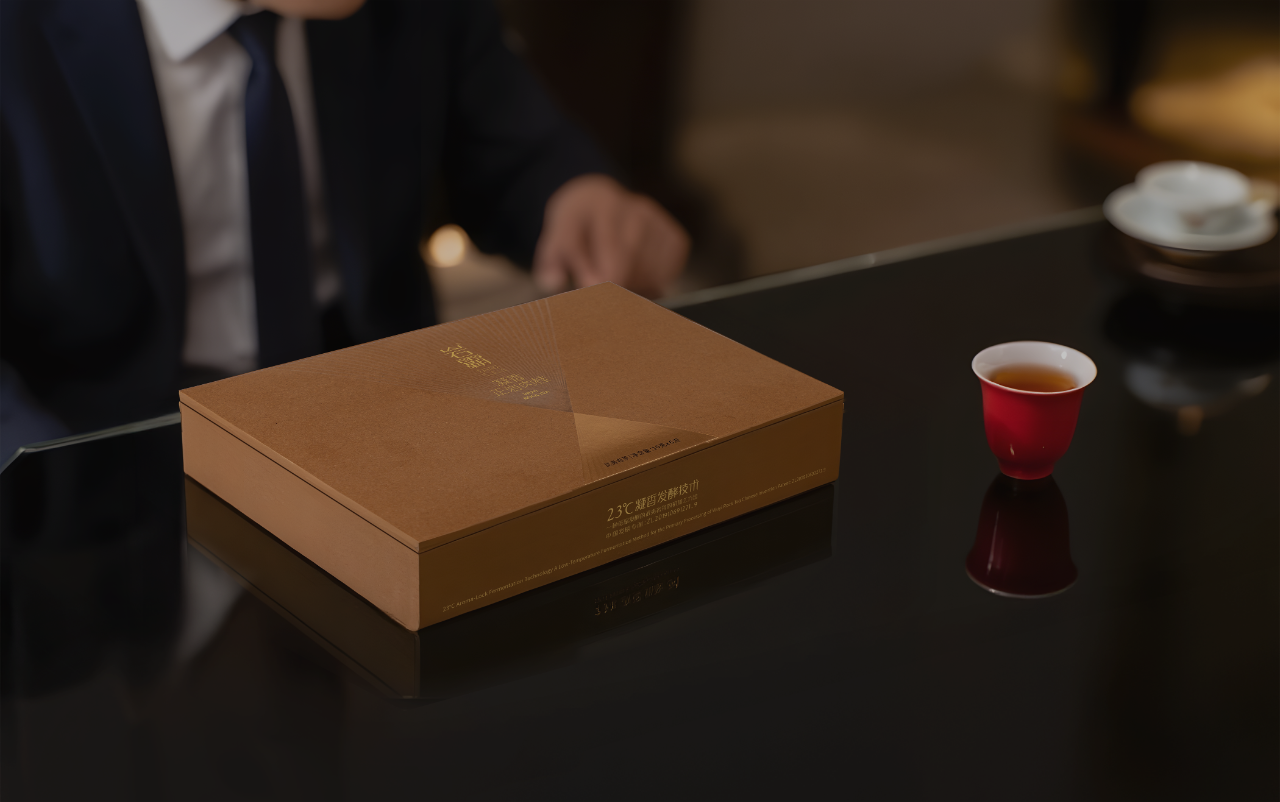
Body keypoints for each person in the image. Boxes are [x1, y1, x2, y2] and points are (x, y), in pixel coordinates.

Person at [0, 0, 689, 460]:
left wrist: (576, 194)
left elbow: (514, 150)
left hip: (385, 428)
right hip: (108, 464)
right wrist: (56, 486)